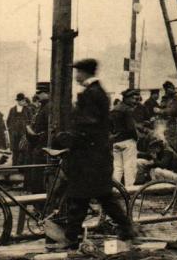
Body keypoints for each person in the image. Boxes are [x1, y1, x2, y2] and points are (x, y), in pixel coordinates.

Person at [58, 58, 136, 249]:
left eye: (78, 72)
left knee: (86, 197)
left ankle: (71, 238)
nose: (76, 75)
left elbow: (89, 125)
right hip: (93, 156)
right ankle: (73, 237)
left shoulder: (92, 94)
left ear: (85, 73)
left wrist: (70, 138)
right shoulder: (95, 92)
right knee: (91, 197)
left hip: (90, 157)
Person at [111, 88, 140, 187]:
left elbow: (109, 126)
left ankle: (116, 190)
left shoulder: (114, 109)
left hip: (115, 142)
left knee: (117, 168)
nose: (135, 101)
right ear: (127, 98)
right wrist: (136, 139)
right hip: (128, 141)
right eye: (134, 99)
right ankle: (130, 191)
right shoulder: (128, 110)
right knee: (129, 167)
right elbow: (131, 128)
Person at [25, 84, 50, 193]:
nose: (38, 95)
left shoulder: (48, 107)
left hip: (41, 145)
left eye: (40, 93)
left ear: (47, 93)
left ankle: (39, 201)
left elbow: (47, 129)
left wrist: (34, 134)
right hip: (38, 144)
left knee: (38, 174)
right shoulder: (43, 107)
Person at [159, 81, 177, 152]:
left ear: (173, 88)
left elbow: (173, 111)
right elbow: (162, 106)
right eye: (166, 88)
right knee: (167, 140)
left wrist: (160, 111)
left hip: (175, 123)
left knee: (175, 143)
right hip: (167, 123)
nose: (168, 90)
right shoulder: (165, 98)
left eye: (169, 88)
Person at [7, 93, 32, 165]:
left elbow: (31, 121)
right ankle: (14, 166)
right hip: (14, 134)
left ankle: (22, 168)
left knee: (24, 150)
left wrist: (27, 130)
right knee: (15, 150)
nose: (24, 102)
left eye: (24, 100)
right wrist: (11, 130)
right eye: (22, 100)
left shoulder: (28, 110)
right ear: (18, 101)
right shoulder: (12, 110)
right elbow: (8, 121)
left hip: (24, 134)